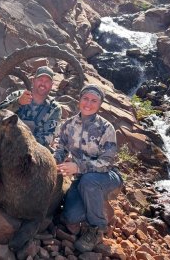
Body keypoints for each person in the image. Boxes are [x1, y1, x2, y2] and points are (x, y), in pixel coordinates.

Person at [53, 84, 123, 253]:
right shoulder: (67, 125)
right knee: (70, 216)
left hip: (107, 176)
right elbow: (60, 148)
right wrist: (54, 161)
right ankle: (95, 202)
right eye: (85, 98)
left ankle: (96, 228)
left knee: (88, 181)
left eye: (94, 100)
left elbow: (106, 162)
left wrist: (78, 166)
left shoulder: (106, 128)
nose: (88, 103)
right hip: (82, 179)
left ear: (99, 105)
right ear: (79, 100)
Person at [0, 66, 62, 149]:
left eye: (47, 81)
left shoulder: (55, 108)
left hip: (32, 150)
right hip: (5, 145)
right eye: (40, 80)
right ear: (33, 81)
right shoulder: (17, 95)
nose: (43, 83)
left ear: (51, 85)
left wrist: (22, 145)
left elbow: (48, 137)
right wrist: (18, 102)